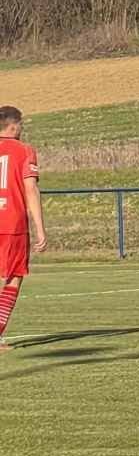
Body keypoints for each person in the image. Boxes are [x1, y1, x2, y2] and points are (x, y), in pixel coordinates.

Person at [0, 106, 46, 351]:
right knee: (14, 277)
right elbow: (30, 189)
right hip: (12, 223)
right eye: (20, 125)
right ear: (13, 126)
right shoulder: (24, 150)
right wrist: (40, 229)